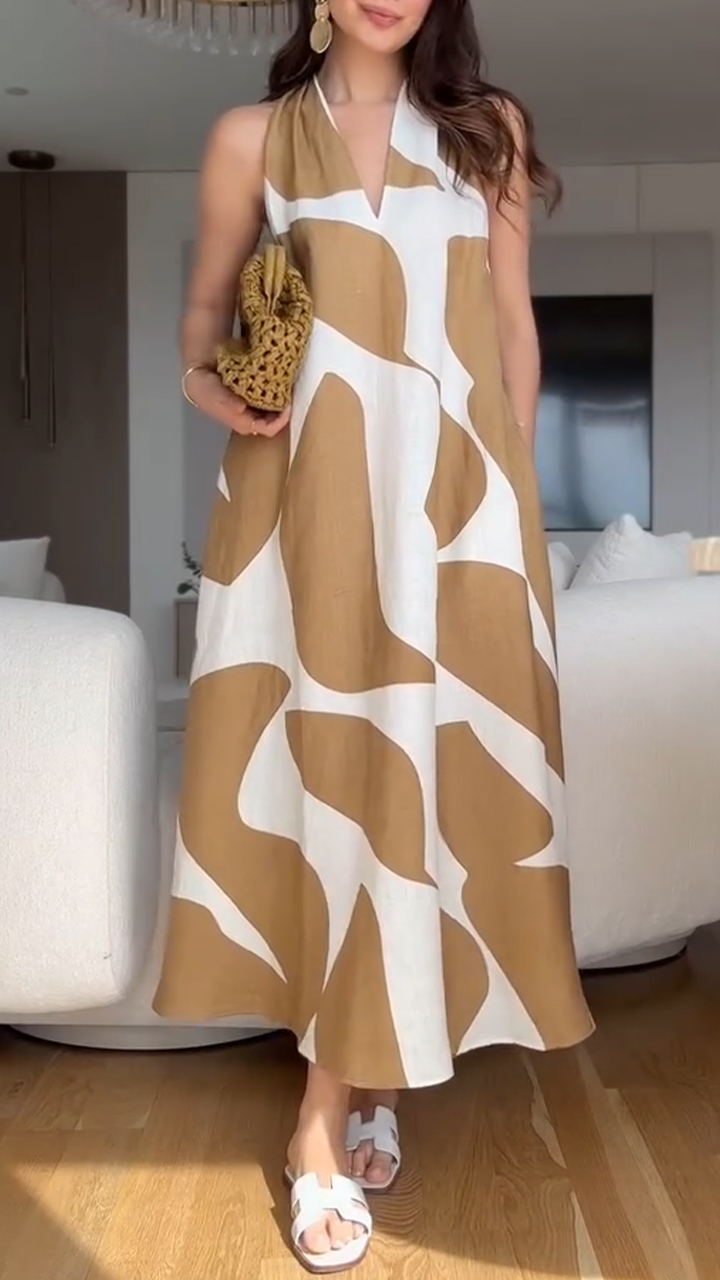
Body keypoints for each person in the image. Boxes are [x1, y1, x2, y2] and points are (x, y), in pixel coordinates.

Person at [154, 0, 594, 1270]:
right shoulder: (250, 139)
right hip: (303, 513)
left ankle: (360, 1082)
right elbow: (199, 331)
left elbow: (511, 329)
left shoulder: (487, 132)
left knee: (422, 783)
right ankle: (322, 1124)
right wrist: (221, 391)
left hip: (456, 514)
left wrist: (509, 515)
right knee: (331, 782)